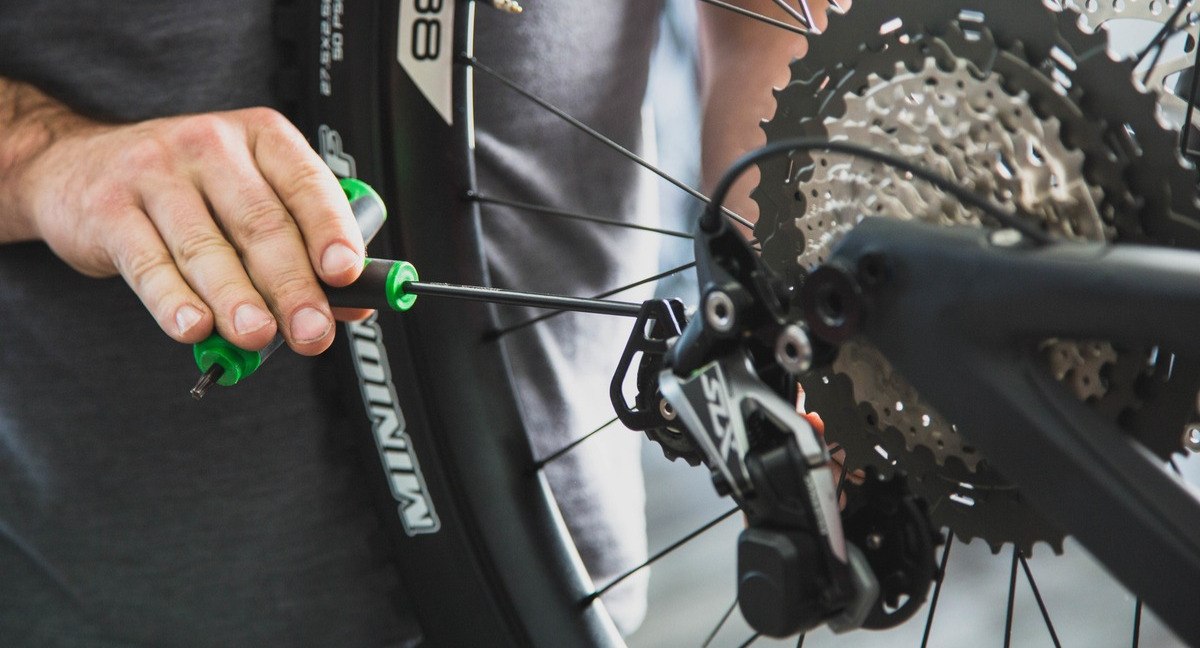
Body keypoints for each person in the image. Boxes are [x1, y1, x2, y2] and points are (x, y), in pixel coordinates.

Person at [0, 1, 821, 645]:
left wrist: (813, 322)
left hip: (562, 584)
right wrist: (45, 156)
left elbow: (778, 23)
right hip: (102, 593)